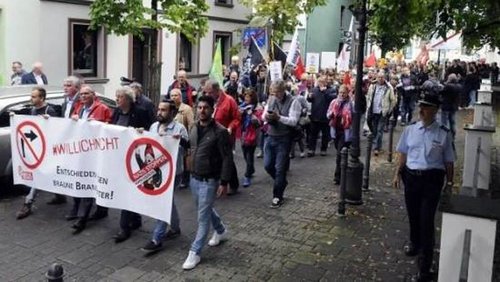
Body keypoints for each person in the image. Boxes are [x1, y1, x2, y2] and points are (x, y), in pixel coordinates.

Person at [393, 93, 455, 281]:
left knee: (427, 221)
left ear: (435, 110)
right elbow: (403, 153)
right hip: (411, 178)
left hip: (431, 180)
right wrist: (397, 173)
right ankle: (414, 242)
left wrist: (449, 184)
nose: (421, 110)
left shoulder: (443, 133)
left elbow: (449, 161)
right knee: (413, 214)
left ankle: (425, 266)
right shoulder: (410, 129)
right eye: (421, 106)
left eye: (426, 107)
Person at [182, 95, 232, 270]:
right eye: (200, 107)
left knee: (202, 218)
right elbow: (190, 146)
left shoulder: (220, 132)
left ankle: (194, 253)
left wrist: (224, 182)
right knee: (205, 209)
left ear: (212, 110)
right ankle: (221, 230)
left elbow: (227, 158)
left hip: (210, 180)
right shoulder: (194, 127)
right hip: (194, 178)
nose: (202, 111)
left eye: (206, 108)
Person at [141, 99, 188, 252]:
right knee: (168, 201)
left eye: (163, 110)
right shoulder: (154, 126)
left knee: (164, 201)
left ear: (172, 113)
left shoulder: (179, 129)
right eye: (159, 109)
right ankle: (175, 228)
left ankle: (157, 238)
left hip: (173, 172)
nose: (159, 113)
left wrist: (175, 141)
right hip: (158, 171)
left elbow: (186, 148)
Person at [69, 85, 113, 234]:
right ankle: (100, 210)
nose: (83, 96)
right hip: (81, 150)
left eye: (86, 93)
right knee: (85, 181)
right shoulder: (79, 108)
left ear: (93, 95)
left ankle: (82, 218)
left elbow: (111, 128)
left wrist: (98, 124)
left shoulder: (103, 108)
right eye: (81, 94)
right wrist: (73, 118)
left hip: (97, 152)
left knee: (90, 182)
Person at [111, 86, 153, 243]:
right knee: (127, 188)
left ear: (128, 99)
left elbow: (152, 129)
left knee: (127, 189)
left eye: (119, 97)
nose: (116, 100)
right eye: (116, 97)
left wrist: (143, 131)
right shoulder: (116, 112)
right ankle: (135, 219)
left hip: (134, 157)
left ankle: (124, 227)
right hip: (118, 156)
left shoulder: (140, 112)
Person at [15, 87, 58, 219]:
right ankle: (60, 196)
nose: (31, 99)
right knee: (48, 174)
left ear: (42, 98)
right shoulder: (33, 110)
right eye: (31, 96)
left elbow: (56, 129)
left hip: (48, 150)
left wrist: (49, 121)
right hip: (37, 149)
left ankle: (28, 202)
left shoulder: (49, 110)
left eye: (34, 97)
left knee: (39, 175)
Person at [263, 80, 301, 208]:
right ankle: (282, 182)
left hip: (284, 138)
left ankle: (277, 196)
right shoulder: (271, 99)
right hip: (270, 136)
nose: (275, 96)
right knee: (268, 165)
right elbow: (264, 115)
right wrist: (267, 118)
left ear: (283, 90)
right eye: (273, 93)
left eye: (277, 93)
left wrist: (279, 118)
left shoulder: (293, 101)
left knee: (280, 169)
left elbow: (293, 121)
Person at [204, 80, 241, 195]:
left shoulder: (229, 101)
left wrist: (230, 128)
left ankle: (233, 184)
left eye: (210, 93)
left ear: (217, 90)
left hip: (225, 135)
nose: (207, 95)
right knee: (215, 158)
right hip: (211, 135)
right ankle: (217, 181)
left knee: (227, 159)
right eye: (206, 93)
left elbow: (237, 118)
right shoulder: (208, 101)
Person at [61, 76, 84, 219]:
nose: (65, 87)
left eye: (68, 85)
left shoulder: (81, 100)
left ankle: (77, 207)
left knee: (78, 175)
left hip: (79, 143)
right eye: (64, 84)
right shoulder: (65, 101)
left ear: (76, 87)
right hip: (67, 141)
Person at [327, 85, 353, 185]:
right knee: (340, 154)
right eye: (340, 92)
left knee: (340, 155)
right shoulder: (334, 102)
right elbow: (328, 113)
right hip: (335, 130)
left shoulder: (350, 104)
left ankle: (338, 177)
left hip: (345, 131)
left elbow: (354, 117)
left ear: (347, 93)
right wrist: (331, 115)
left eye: (344, 93)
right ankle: (343, 172)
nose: (342, 95)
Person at [366, 71, 396, 156]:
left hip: (382, 112)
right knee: (374, 129)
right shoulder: (373, 86)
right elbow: (368, 97)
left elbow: (393, 100)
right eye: (379, 77)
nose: (380, 79)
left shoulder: (388, 87)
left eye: (382, 77)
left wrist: (388, 110)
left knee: (379, 130)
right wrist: (369, 106)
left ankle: (376, 148)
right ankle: (378, 145)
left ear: (384, 78)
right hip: (373, 111)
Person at [170, 88, 195, 189]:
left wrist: (189, 140)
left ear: (180, 96)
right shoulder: (170, 108)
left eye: (176, 95)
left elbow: (191, 124)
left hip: (183, 138)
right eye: (172, 95)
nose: (173, 97)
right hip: (172, 139)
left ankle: (185, 180)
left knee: (184, 159)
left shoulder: (186, 109)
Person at [307, 76, 336, 157]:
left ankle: (323, 149)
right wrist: (309, 97)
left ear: (326, 82)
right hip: (315, 116)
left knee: (325, 135)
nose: (320, 84)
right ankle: (311, 149)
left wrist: (325, 92)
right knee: (313, 134)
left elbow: (332, 99)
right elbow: (309, 100)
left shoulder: (331, 90)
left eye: (322, 82)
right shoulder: (314, 90)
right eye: (319, 82)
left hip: (325, 117)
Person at [238, 89, 262, 187]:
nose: (246, 98)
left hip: (252, 134)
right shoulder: (242, 106)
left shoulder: (257, 108)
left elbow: (258, 123)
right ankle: (251, 169)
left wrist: (251, 115)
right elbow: (238, 118)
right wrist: (240, 113)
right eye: (245, 96)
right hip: (244, 133)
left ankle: (247, 175)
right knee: (244, 154)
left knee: (249, 156)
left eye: (248, 96)